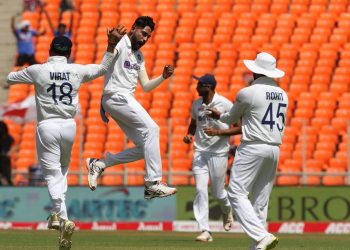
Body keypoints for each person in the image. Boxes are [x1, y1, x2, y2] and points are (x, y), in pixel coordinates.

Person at [7, 26, 126, 250]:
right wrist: (110, 45)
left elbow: (10, 78)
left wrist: (25, 72)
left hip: (47, 126)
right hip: (69, 127)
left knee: (51, 174)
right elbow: (102, 68)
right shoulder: (77, 71)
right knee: (62, 170)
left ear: (49, 50)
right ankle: (56, 215)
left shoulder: (37, 70)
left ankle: (62, 217)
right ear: (69, 53)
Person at [86, 16, 177, 200]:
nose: (144, 39)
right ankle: (153, 183)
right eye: (143, 33)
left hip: (121, 99)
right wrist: (111, 44)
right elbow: (105, 65)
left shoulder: (139, 56)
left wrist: (162, 77)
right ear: (134, 28)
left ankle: (100, 164)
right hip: (115, 96)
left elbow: (146, 86)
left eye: (148, 37)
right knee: (153, 129)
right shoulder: (121, 43)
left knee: (146, 147)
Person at [208, 52, 288, 250]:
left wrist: (220, 115)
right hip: (274, 149)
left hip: (253, 146)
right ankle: (258, 246)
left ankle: (262, 236)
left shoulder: (248, 92)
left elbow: (230, 118)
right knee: (261, 198)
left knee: (236, 193)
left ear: (255, 71)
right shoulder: (282, 93)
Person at [183, 74, 241, 242]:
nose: (196, 88)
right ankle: (205, 230)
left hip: (219, 154)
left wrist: (218, 132)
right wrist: (188, 134)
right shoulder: (196, 104)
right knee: (200, 190)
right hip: (200, 152)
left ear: (208, 87)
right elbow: (193, 124)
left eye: (199, 85)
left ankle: (227, 209)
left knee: (218, 192)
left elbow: (239, 129)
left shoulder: (225, 104)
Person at [0, 121, 14, 186]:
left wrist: (10, 152)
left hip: (5, 158)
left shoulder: (8, 137)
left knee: (7, 176)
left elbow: (15, 145)